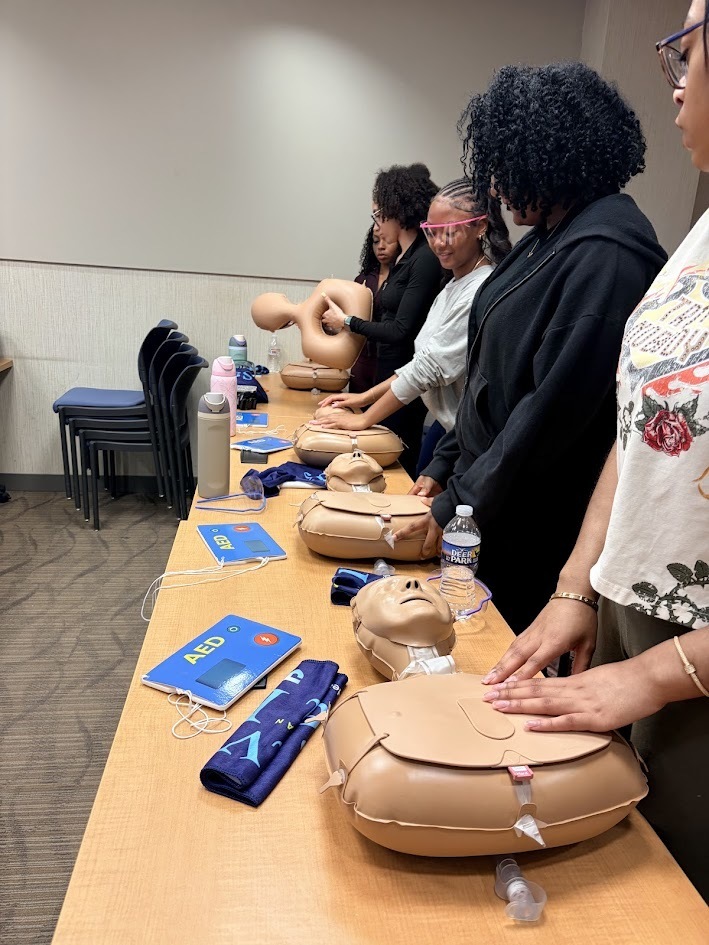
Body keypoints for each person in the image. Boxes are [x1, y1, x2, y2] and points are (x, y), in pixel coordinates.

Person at [478, 0, 709, 902]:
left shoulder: (610, 245)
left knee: (671, 892)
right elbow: (640, 429)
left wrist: (655, 672)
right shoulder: (697, 239)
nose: (676, 76)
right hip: (632, 617)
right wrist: (581, 585)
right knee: (607, 875)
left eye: (687, 46)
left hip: (688, 660)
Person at [394, 62, 667, 634]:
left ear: (549, 156)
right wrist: (445, 464)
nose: (495, 188)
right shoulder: (545, 240)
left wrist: (457, 505)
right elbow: (487, 377)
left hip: (535, 525)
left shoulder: (606, 256)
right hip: (490, 502)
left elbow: (543, 418)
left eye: (505, 168)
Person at [315, 180, 511, 475]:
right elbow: (420, 362)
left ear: (480, 226)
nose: (439, 243)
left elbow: (428, 368)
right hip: (448, 428)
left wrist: (363, 419)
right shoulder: (452, 287)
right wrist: (364, 398)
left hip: (470, 438)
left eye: (450, 231)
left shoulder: (479, 288)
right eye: (432, 232)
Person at [321, 163, 442, 476]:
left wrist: (347, 321)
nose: (376, 226)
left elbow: (401, 331)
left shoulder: (424, 259)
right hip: (387, 377)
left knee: (395, 468)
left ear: (396, 211)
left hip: (406, 385)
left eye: (378, 215)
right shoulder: (404, 258)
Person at [349, 227, 399, 394]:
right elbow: (347, 320)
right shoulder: (363, 279)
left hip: (391, 362)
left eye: (387, 241)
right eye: (376, 241)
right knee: (355, 413)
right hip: (362, 360)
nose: (381, 247)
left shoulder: (404, 280)